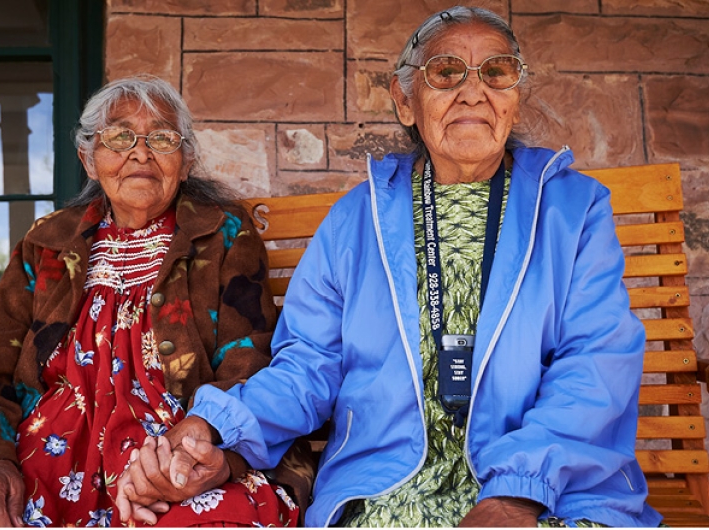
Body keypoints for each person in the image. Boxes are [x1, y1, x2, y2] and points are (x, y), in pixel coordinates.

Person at [114, 7, 665, 528]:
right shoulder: (358, 218)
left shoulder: (574, 209)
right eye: (447, 71)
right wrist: (214, 424)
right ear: (406, 102)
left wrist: (516, 493)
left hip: (551, 486)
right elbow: (308, 365)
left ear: (515, 99)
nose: (473, 89)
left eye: (496, 72)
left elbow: (595, 362)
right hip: (386, 486)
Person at [0, 75, 312, 527]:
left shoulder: (222, 232)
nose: (141, 152)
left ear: (185, 162)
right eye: (119, 136)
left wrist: (198, 451)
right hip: (46, 453)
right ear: (89, 159)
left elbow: (247, 360)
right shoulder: (47, 241)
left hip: (174, 450)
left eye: (163, 138)